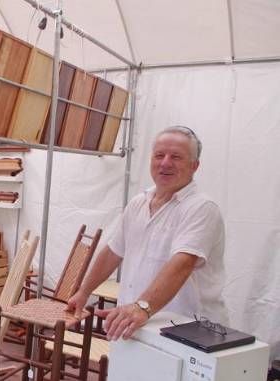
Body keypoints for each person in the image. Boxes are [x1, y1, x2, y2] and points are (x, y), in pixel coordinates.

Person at [66, 126, 228, 341]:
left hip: (189, 329)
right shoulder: (138, 203)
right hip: (136, 322)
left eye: (176, 157)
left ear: (194, 165)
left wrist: (142, 307)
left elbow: (183, 263)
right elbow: (113, 252)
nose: (165, 163)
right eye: (159, 155)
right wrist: (84, 292)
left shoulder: (201, 208)